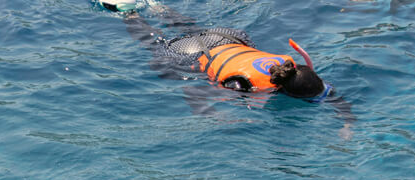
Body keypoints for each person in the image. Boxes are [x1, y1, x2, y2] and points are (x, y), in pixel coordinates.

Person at [98, 3, 355, 136]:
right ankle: (129, 14)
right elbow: (194, 94)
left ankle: (159, 9)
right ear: (283, 90)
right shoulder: (242, 85)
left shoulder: (290, 67)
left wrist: (346, 126)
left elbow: (333, 98)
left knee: (195, 31)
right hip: (195, 51)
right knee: (159, 54)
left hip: (229, 36)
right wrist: (216, 118)